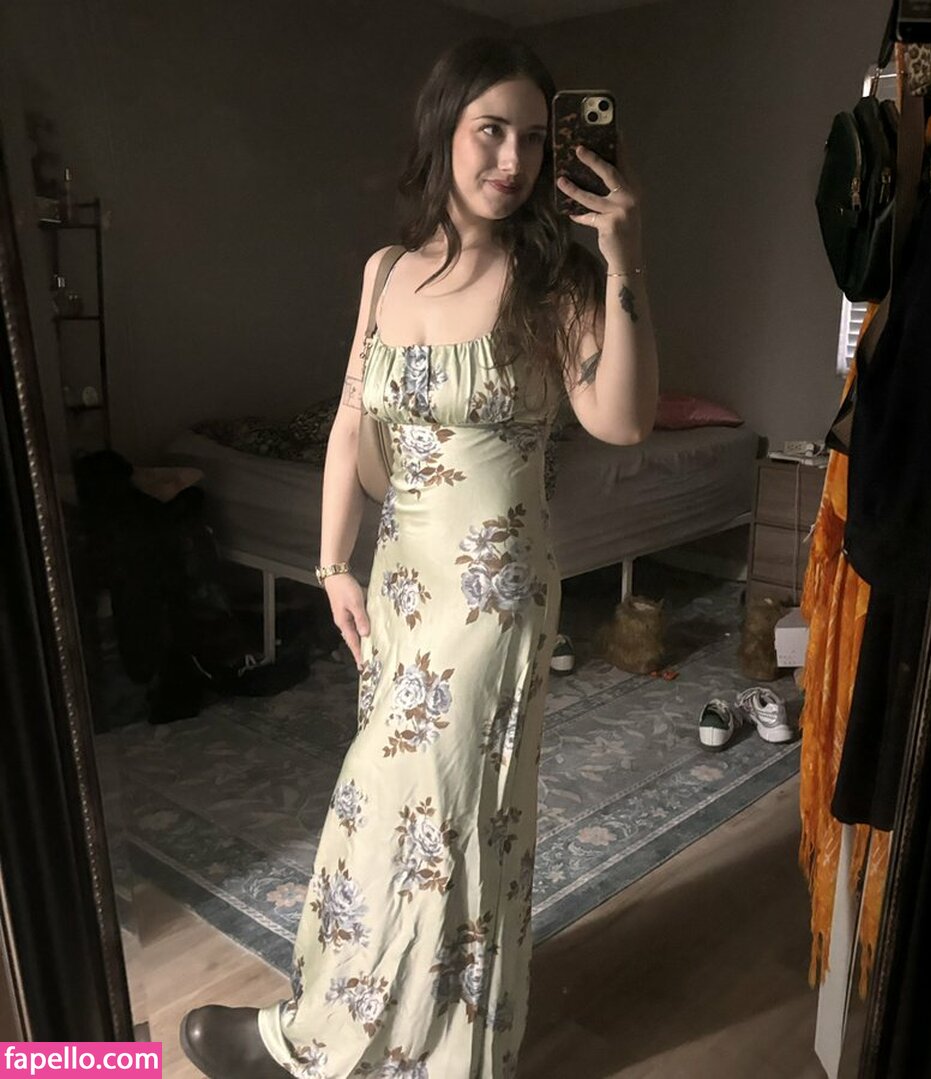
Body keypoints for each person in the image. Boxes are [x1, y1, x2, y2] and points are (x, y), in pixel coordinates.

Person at [180, 35, 657, 1079]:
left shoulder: (558, 280)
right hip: (399, 584)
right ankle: (409, 1034)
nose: (512, 160)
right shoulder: (387, 272)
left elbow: (623, 421)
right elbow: (353, 418)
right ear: (444, 129)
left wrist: (623, 259)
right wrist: (332, 566)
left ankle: (327, 1043)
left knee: (439, 812)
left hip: (491, 600)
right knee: (386, 807)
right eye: (491, 131)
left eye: (532, 139)